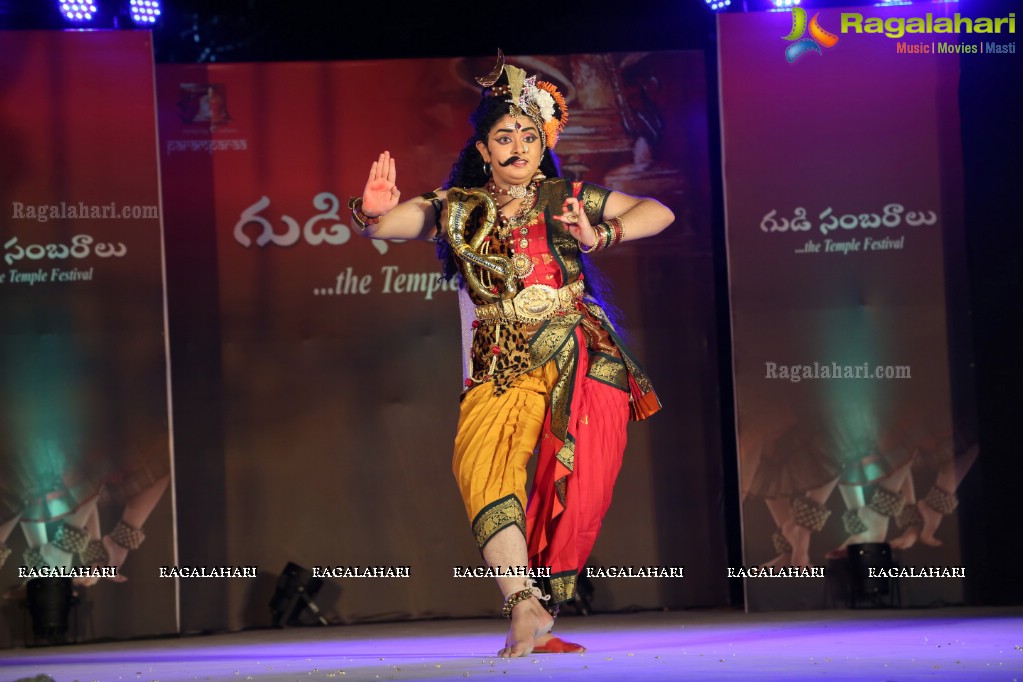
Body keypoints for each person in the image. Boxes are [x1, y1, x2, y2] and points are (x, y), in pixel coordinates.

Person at [349, 51, 674, 658]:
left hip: (575, 354)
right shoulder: (459, 208)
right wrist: (372, 212)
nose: (518, 145)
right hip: (499, 360)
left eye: (529, 134)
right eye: (504, 136)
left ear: (541, 143)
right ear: (483, 148)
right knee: (482, 470)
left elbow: (657, 210)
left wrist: (603, 234)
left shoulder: (564, 198)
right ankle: (522, 604)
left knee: (580, 484)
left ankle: (541, 605)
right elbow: (392, 225)